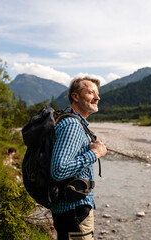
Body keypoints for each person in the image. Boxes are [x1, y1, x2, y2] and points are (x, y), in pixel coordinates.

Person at [50, 76, 107, 240]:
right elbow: (58, 170)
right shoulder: (73, 125)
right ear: (75, 97)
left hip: (69, 209)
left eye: (97, 93)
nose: (97, 97)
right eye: (90, 92)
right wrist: (95, 153)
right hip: (74, 209)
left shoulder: (72, 122)